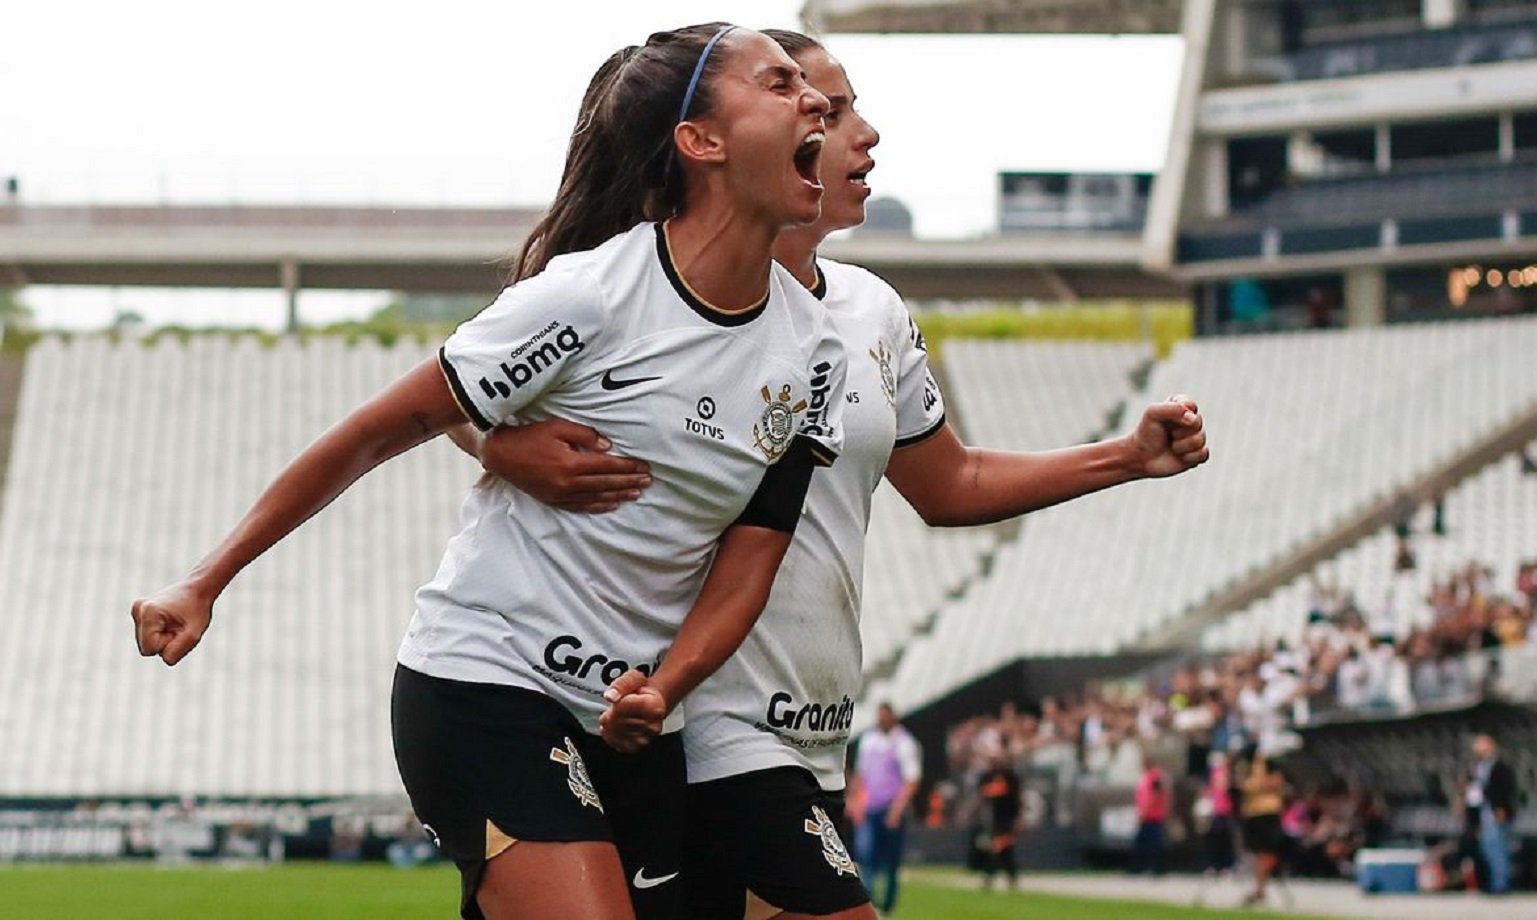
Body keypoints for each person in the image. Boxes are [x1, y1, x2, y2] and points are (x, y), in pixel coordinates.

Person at [460, 28, 1211, 920]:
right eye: (828, 105)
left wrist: (1122, 458)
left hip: (811, 730)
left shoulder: (868, 311)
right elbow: (460, 396)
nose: (859, 131)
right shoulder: (645, 296)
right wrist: (496, 444)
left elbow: (948, 483)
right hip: (704, 721)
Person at [130, 23, 848, 920]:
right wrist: (205, 580)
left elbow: (752, 557)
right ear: (699, 142)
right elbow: (370, 434)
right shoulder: (590, 296)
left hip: (630, 718)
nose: (816, 100)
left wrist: (664, 687)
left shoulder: (815, 349)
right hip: (483, 683)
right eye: (779, 84)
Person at [850, 703, 921, 913]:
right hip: (870, 808)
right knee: (866, 855)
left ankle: (887, 905)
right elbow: (860, 776)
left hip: (891, 809)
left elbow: (911, 780)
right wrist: (856, 803)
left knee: (891, 860)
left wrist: (897, 809)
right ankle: (868, 901)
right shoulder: (868, 741)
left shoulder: (904, 742)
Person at [1462, 733, 1518, 894]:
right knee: (1487, 849)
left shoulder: (1500, 767)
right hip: (1482, 814)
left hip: (1496, 813)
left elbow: (1505, 789)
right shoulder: (1476, 767)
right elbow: (1473, 792)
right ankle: (1491, 882)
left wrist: (1501, 808)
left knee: (1498, 849)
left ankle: (1501, 884)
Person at [1236, 747, 1287, 907]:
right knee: (1256, 853)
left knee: (1265, 852)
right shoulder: (1245, 766)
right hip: (1252, 813)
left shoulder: (1269, 763)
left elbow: (1277, 781)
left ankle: (1260, 888)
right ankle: (1259, 887)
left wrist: (1254, 785)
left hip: (1268, 812)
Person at [976, 753, 1024, 891]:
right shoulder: (989, 777)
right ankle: (1011, 879)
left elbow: (1018, 798)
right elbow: (983, 795)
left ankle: (989, 878)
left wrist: (1019, 818)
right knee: (1005, 851)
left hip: (1009, 818)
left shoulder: (1011, 777)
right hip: (996, 819)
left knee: (997, 848)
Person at [1130, 754, 1171, 875]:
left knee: (1150, 844)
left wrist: (1143, 812)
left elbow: (1153, 796)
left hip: (1152, 816)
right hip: (1149, 815)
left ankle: (1150, 867)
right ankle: (1142, 867)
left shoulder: (1155, 777)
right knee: (1145, 843)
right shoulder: (1149, 776)